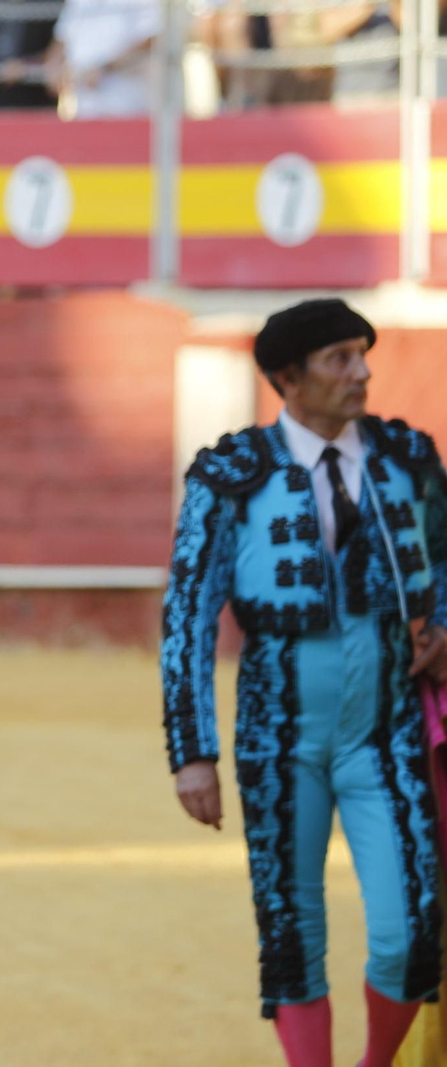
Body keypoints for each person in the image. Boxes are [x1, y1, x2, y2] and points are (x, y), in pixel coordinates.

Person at [162, 298, 447, 1067]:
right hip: (277, 731)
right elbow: (188, 613)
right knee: (292, 927)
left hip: (385, 726)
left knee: (413, 927)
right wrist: (193, 750)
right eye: (340, 359)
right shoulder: (232, 474)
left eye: (362, 354)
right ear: (289, 377)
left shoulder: (406, 457)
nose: (362, 372)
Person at [50, 0, 160, 119]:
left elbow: (150, 38)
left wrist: (105, 67)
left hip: (126, 99)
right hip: (84, 102)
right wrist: (54, 69)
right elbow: (62, 37)